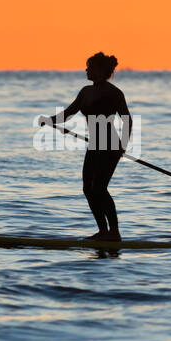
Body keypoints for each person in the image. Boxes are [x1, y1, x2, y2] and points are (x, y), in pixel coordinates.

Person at [39, 52, 132, 241]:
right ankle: (103, 232)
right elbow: (68, 113)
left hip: (110, 146)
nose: (86, 69)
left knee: (99, 188)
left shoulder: (113, 92)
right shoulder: (85, 91)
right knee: (88, 189)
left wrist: (122, 145)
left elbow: (127, 119)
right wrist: (49, 120)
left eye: (89, 67)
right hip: (94, 146)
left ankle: (114, 232)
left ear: (98, 70)